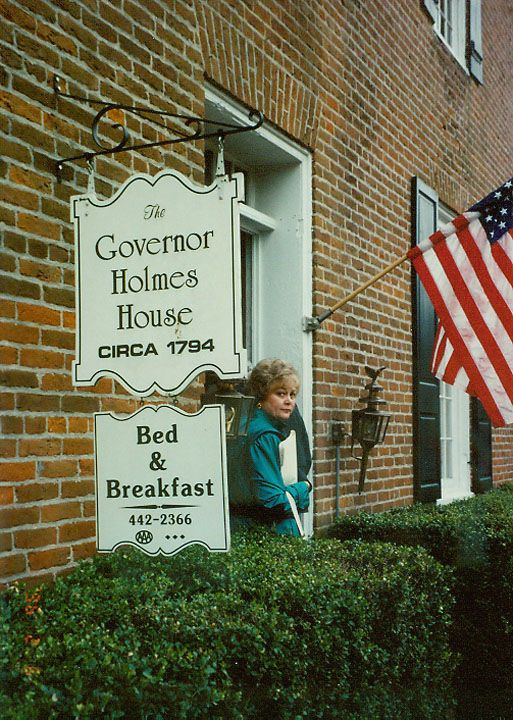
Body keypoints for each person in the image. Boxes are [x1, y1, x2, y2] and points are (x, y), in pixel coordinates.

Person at [235, 358, 312, 536]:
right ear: (261, 396)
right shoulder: (265, 436)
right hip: (264, 535)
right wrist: (304, 487)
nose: (289, 401)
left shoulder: (248, 425)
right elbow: (274, 501)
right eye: (280, 393)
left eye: (292, 395)